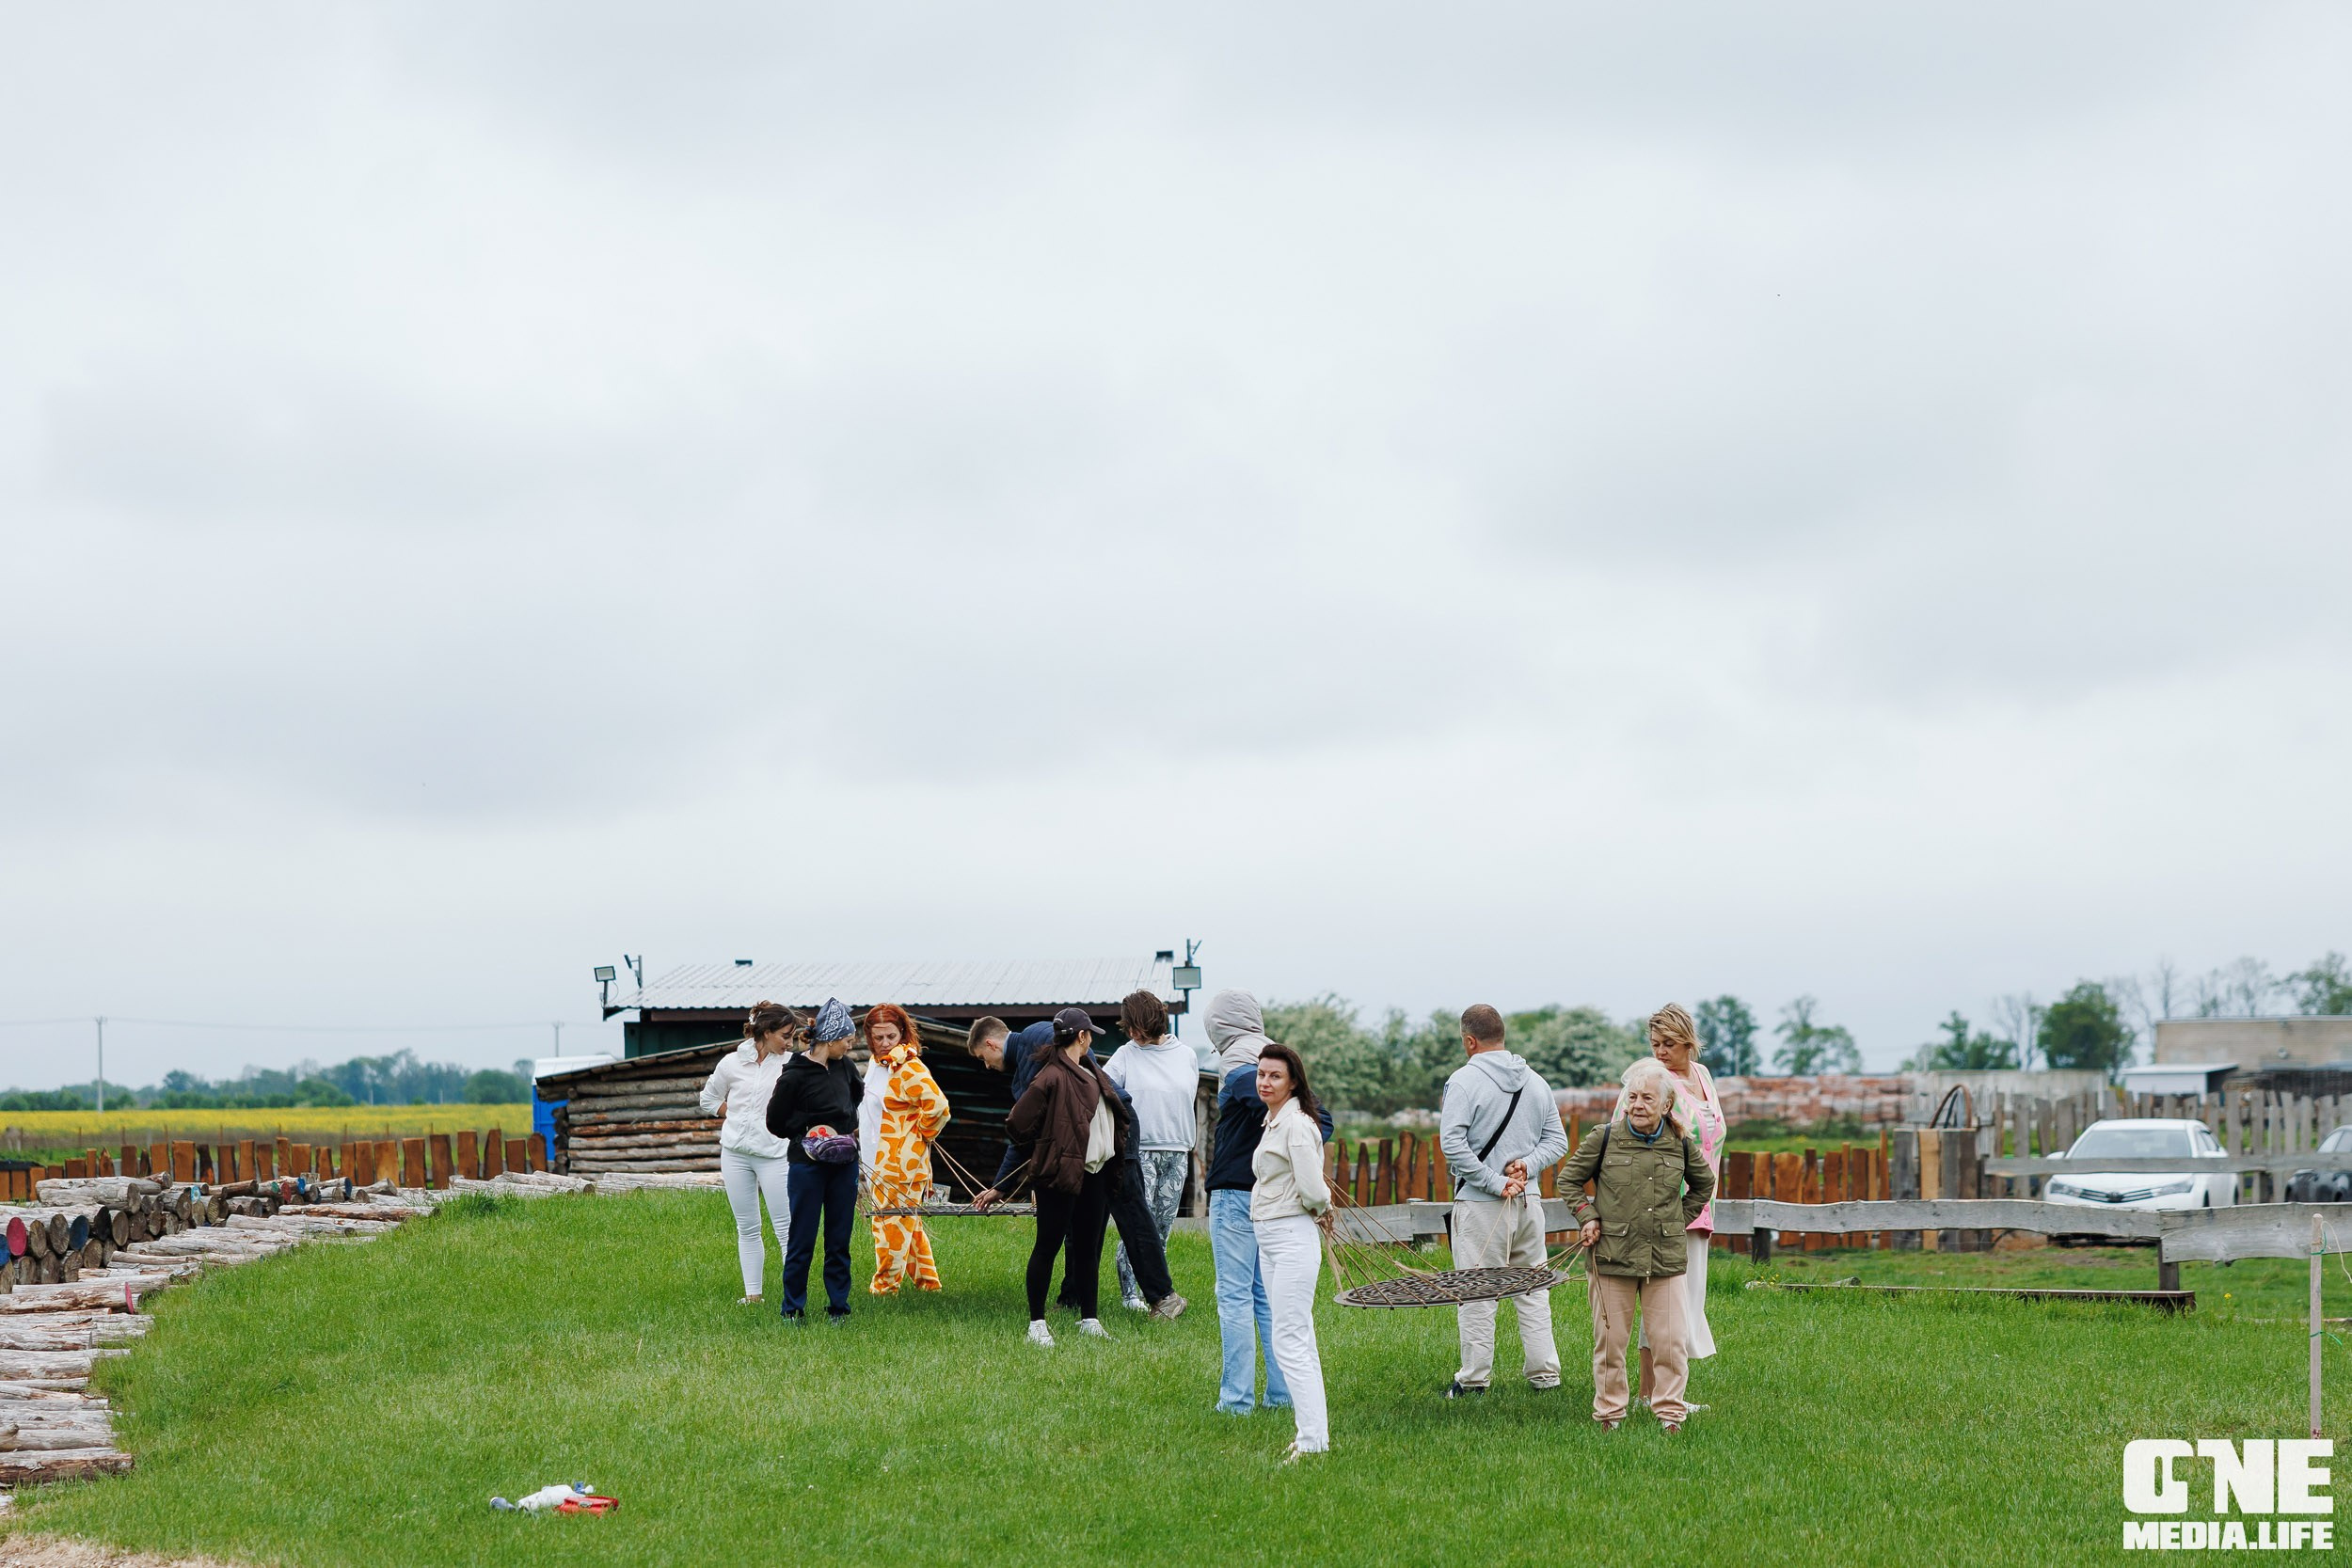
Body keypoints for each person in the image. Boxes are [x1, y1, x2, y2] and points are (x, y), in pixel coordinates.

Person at [972, 1015, 1185, 1320]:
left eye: (983, 1057)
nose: (986, 1066)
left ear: (991, 1044)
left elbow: (1026, 1131)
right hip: (1084, 1137)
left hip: (1111, 1127)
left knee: (1130, 1212)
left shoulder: (1036, 1037)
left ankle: (1165, 1298)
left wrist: (1001, 1186)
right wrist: (1002, 1185)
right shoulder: (1027, 1057)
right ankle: (1073, 1297)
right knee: (1081, 1220)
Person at [1558, 1056, 1716, 1431]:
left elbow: (1704, 1184)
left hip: (1665, 1260)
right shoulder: (1605, 1137)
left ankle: (1670, 1414)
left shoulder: (1680, 1143)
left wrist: (1677, 1219)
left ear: (1666, 1105)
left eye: (1647, 1098)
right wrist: (1588, 1216)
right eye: (1633, 1097)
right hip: (1612, 1257)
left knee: (1670, 1343)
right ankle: (1610, 1414)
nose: (1638, 1105)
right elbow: (1568, 1180)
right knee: (1610, 1344)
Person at [1202, 989, 1333, 1416]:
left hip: (1238, 1196)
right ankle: (1280, 1394)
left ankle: (1236, 1400)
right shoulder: (1271, 1065)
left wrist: (1280, 1144)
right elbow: (1320, 1121)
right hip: (1272, 1201)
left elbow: (1316, 1121)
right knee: (1265, 1297)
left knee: (1234, 1296)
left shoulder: (1242, 1070)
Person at [1436, 1003, 1569, 1399]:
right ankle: (1545, 1376)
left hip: (1481, 1204)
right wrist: (1528, 1165)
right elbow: (1557, 1141)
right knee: (1534, 1289)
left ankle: (1473, 1381)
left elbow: (1452, 1144)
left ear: (1469, 1041)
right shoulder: (1536, 1081)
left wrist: (1495, 1182)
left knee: (1477, 1292)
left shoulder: (1463, 1081)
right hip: (1529, 1202)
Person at [1004, 1006, 1130, 1346]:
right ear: (1082, 1036)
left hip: (1094, 1171)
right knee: (1047, 1246)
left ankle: (1090, 1319)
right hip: (1058, 1173)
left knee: (1087, 1248)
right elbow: (1018, 1122)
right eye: (1090, 1036)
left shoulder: (1090, 1070)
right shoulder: (1051, 1075)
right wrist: (1047, 1146)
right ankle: (1037, 1324)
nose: (1091, 1041)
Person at [1634, 1003, 1725, 1411]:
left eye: (1668, 1043)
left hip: (1700, 1206)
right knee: (1663, 1302)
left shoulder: (1703, 1076)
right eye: (1655, 1043)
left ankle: (1664, 1393)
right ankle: (1651, 1395)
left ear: (1689, 1042)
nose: (1660, 1052)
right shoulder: (1653, 1080)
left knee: (1686, 1301)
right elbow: (1627, 1130)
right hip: (1665, 1206)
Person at [1249, 1042, 1332, 1463]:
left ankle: (1312, 1441)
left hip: (1291, 1237)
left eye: (1275, 1076)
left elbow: (1314, 1189)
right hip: (1272, 1238)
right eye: (1261, 1074)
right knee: (1298, 1337)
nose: (1265, 1082)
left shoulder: (1297, 1126)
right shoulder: (1274, 1121)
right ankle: (1313, 1435)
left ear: (1293, 1082)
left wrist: (1323, 1209)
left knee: (1289, 1340)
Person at [764, 996, 865, 1323]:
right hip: (807, 1166)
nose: (850, 1045)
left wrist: (841, 1130)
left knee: (839, 1239)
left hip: (844, 1164)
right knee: (802, 1238)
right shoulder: (794, 1075)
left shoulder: (846, 1068)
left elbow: (856, 1098)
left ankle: (839, 1307)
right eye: (847, 1039)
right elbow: (775, 1122)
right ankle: (792, 1308)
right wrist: (808, 1131)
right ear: (831, 1039)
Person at [698, 1000, 802, 1305]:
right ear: (767, 1032)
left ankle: (793, 1299)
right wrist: (736, 1115)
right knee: (747, 1227)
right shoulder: (731, 1063)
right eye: (785, 1036)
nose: (789, 1042)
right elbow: (708, 1099)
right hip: (735, 1154)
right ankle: (752, 1296)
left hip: (775, 1155)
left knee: (786, 1229)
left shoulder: (792, 1064)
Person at [1103, 989, 1196, 1314]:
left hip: (1177, 1149)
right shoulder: (1125, 1055)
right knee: (1139, 1225)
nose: (1132, 1034)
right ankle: (1130, 1296)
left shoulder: (1186, 1055)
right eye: (1129, 1028)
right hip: (1140, 1150)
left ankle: (1158, 1293)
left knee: (1162, 1227)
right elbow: (1105, 1091)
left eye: (1137, 1027)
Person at [866, 1003, 950, 1295]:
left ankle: (885, 1288)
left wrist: (917, 1138)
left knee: (890, 1224)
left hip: (900, 1163)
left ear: (902, 1033)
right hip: (878, 1157)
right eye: (878, 1037)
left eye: (891, 1036)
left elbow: (939, 1108)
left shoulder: (909, 1066)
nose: (885, 1043)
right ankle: (928, 1283)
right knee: (905, 1221)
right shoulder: (877, 1065)